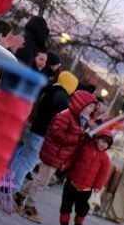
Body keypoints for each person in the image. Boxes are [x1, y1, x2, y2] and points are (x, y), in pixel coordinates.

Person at [20, 90, 99, 223]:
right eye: (90, 106)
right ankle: (29, 205)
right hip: (52, 153)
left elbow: (75, 138)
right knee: (42, 181)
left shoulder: (79, 120)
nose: (92, 110)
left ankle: (21, 194)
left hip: (58, 155)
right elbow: (57, 134)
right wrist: (77, 138)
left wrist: (83, 138)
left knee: (44, 180)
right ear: (82, 104)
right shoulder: (66, 116)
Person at [9, 70, 78, 202]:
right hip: (42, 133)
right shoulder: (61, 96)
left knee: (22, 158)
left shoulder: (49, 88)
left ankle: (7, 183)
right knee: (28, 163)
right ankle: (13, 188)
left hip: (34, 128)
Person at [58, 127, 113, 225]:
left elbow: (103, 173)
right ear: (97, 138)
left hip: (86, 188)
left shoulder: (105, 158)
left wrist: (98, 185)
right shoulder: (84, 147)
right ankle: (64, 223)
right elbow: (73, 158)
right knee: (66, 204)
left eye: (107, 143)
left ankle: (78, 224)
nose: (103, 144)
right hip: (72, 181)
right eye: (102, 140)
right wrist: (65, 164)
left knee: (82, 208)